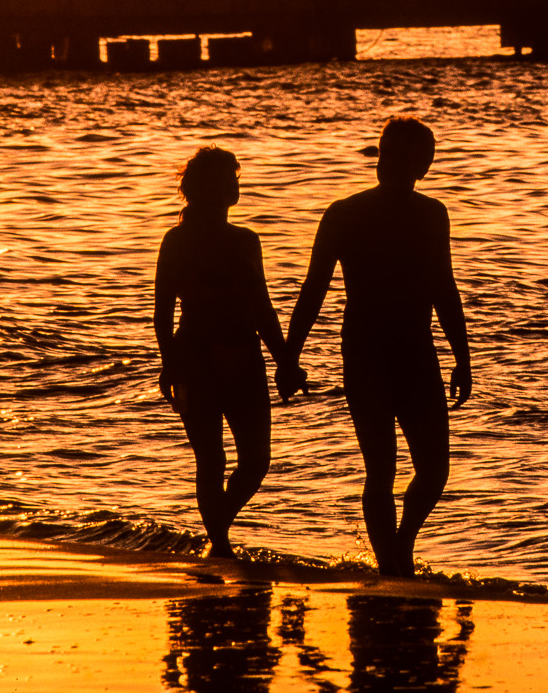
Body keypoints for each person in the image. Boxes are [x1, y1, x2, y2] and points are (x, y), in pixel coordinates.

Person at [285, 117, 470, 577]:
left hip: (417, 350)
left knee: (435, 470)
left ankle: (399, 546)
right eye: (389, 153)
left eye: (410, 157)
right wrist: (290, 355)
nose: (396, 163)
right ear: (379, 157)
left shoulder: (431, 214)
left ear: (423, 166)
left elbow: (444, 288)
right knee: (381, 468)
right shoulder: (344, 213)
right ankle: (392, 566)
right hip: (365, 351)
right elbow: (314, 287)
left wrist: (462, 358)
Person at [154, 147, 303, 560]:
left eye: (235, 178)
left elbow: (262, 305)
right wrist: (169, 363)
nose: (235, 185)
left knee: (256, 461)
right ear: (202, 188)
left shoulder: (245, 240)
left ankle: (216, 529)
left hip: (245, 357)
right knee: (211, 458)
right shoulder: (177, 240)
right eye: (227, 178)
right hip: (195, 358)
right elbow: (163, 308)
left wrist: (285, 361)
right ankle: (219, 544)